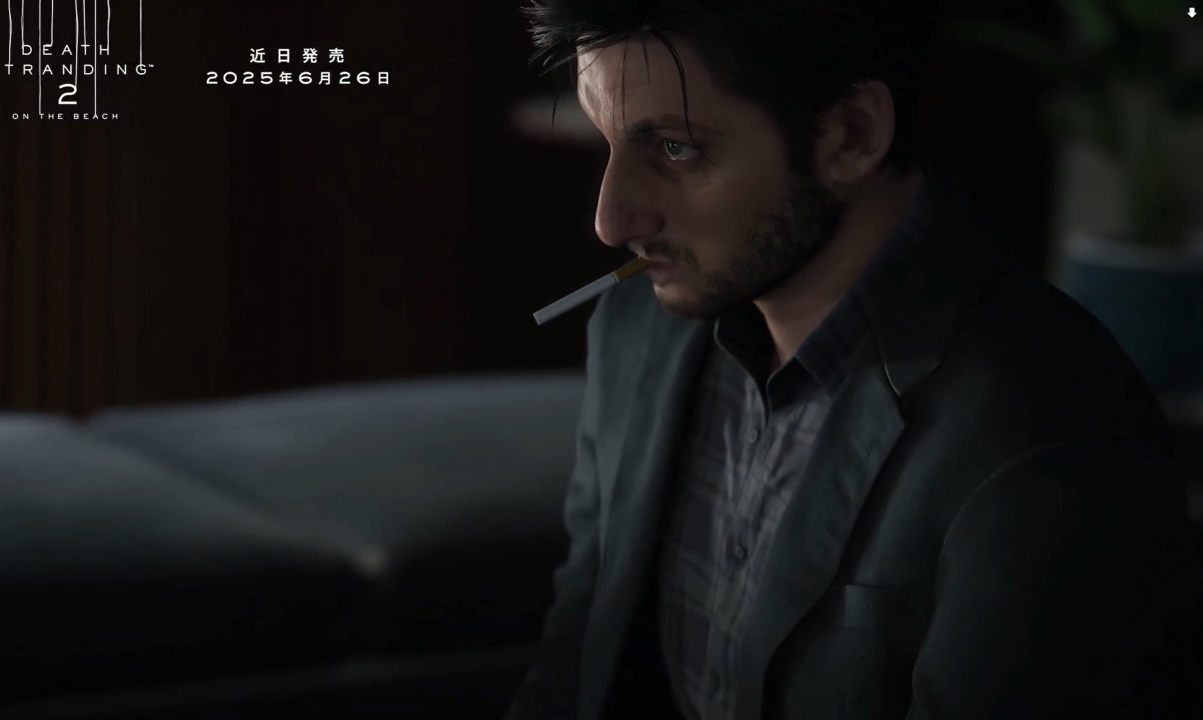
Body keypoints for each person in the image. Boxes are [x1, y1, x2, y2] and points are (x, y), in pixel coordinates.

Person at [504, 1, 1200, 719]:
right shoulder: (636, 327)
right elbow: (577, 656)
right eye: (606, 139)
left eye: (675, 149)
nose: (611, 221)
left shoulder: (1045, 441)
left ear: (852, 135)